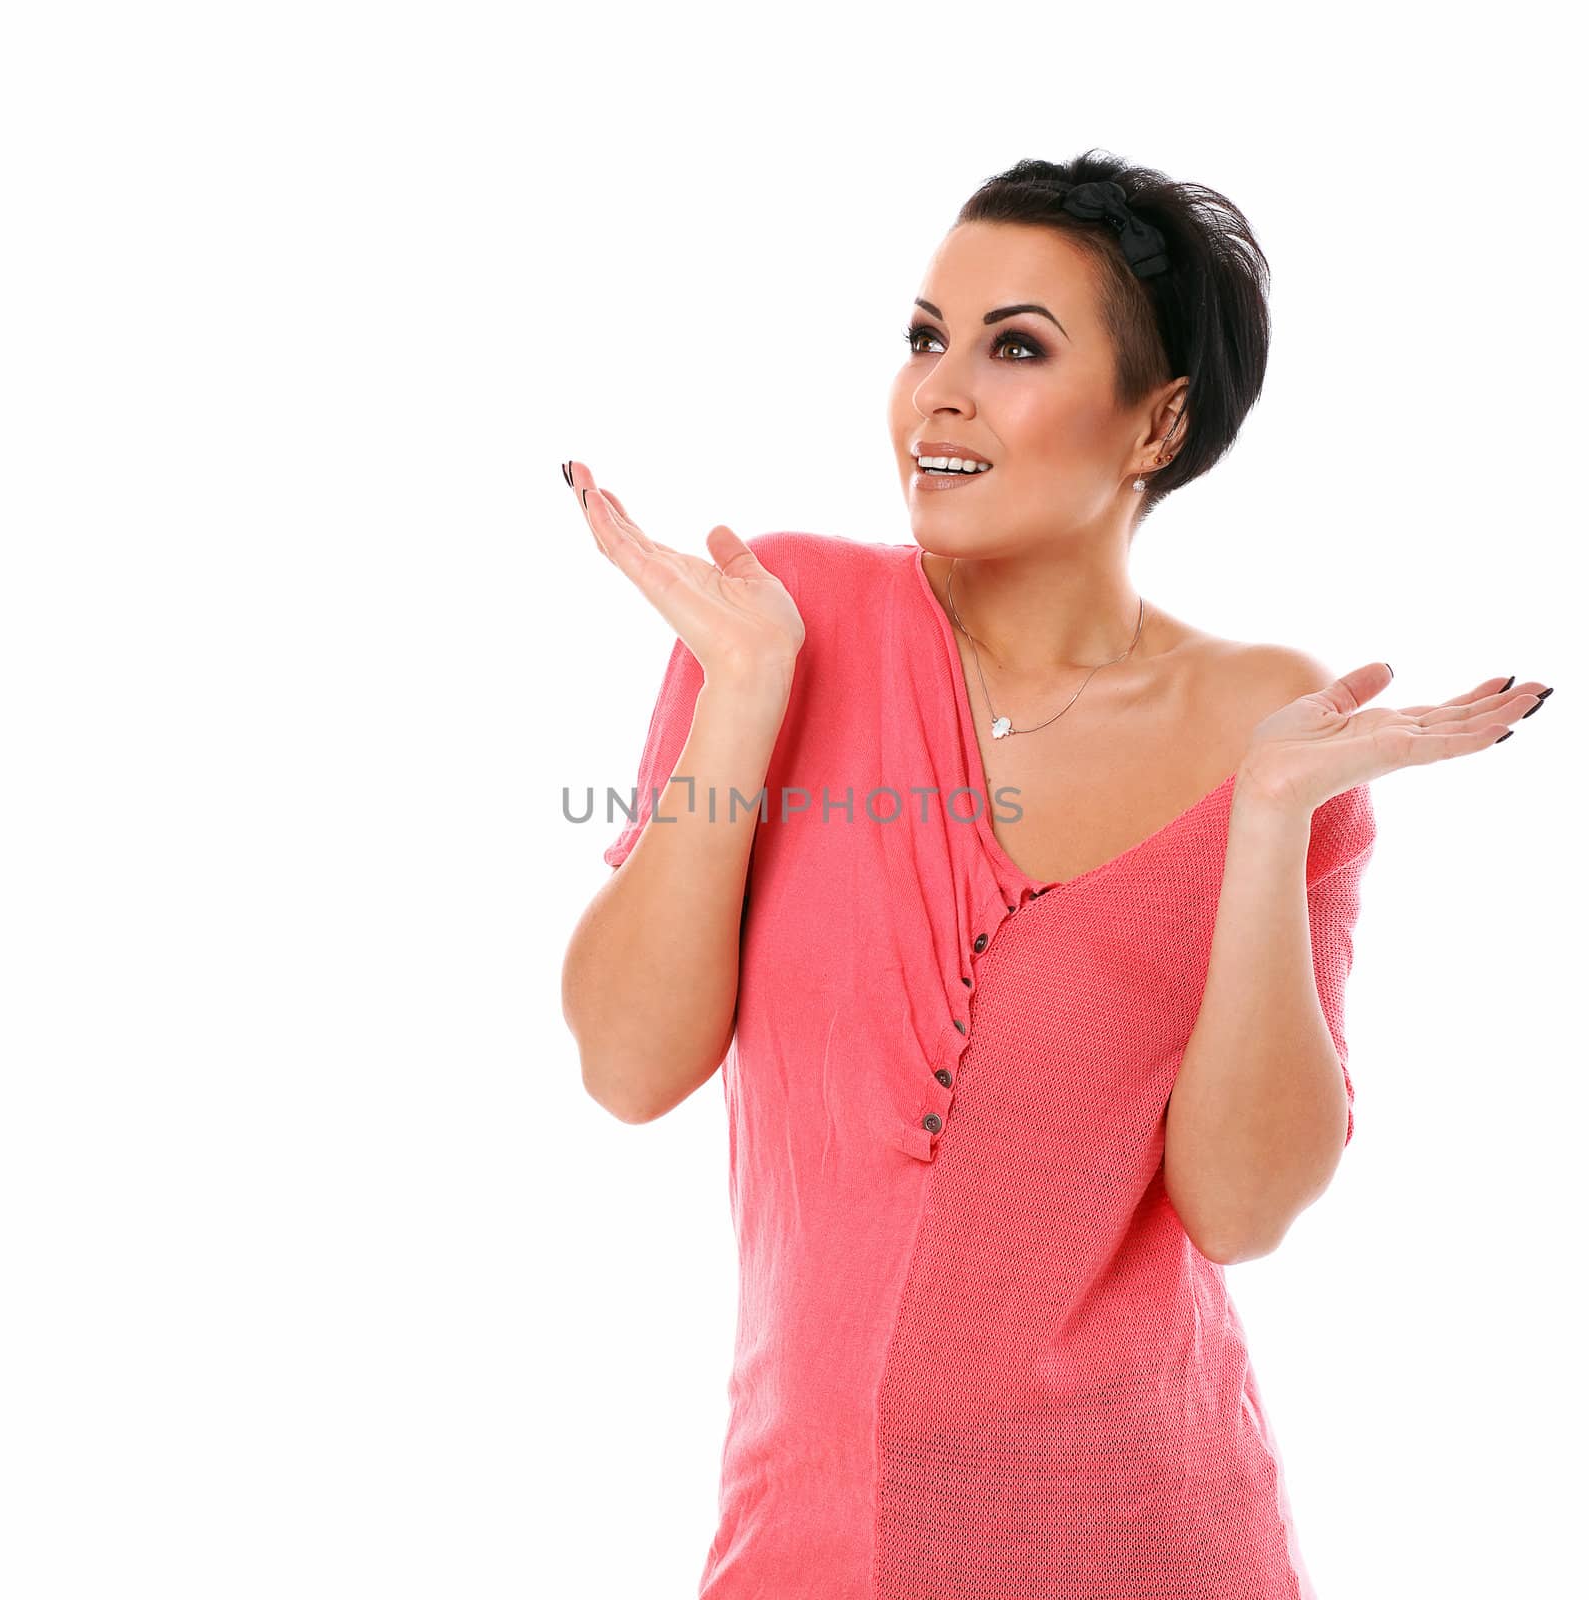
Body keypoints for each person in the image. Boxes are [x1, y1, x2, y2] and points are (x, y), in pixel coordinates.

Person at [558, 149, 1552, 1599]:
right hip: (803, 1551)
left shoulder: (1265, 721)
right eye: (924, 338)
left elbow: (1244, 1206)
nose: (939, 392)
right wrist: (745, 694)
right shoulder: (782, 617)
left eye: (1015, 346)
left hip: (1147, 1539)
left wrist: (1267, 819)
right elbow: (629, 1063)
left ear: (1158, 423)